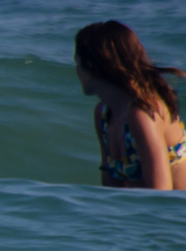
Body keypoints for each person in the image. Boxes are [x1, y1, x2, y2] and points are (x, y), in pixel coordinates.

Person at [75, 21, 183, 190]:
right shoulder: (103, 115)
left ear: (93, 67)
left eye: (77, 62)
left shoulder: (143, 115)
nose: (76, 70)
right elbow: (111, 191)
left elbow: (161, 195)